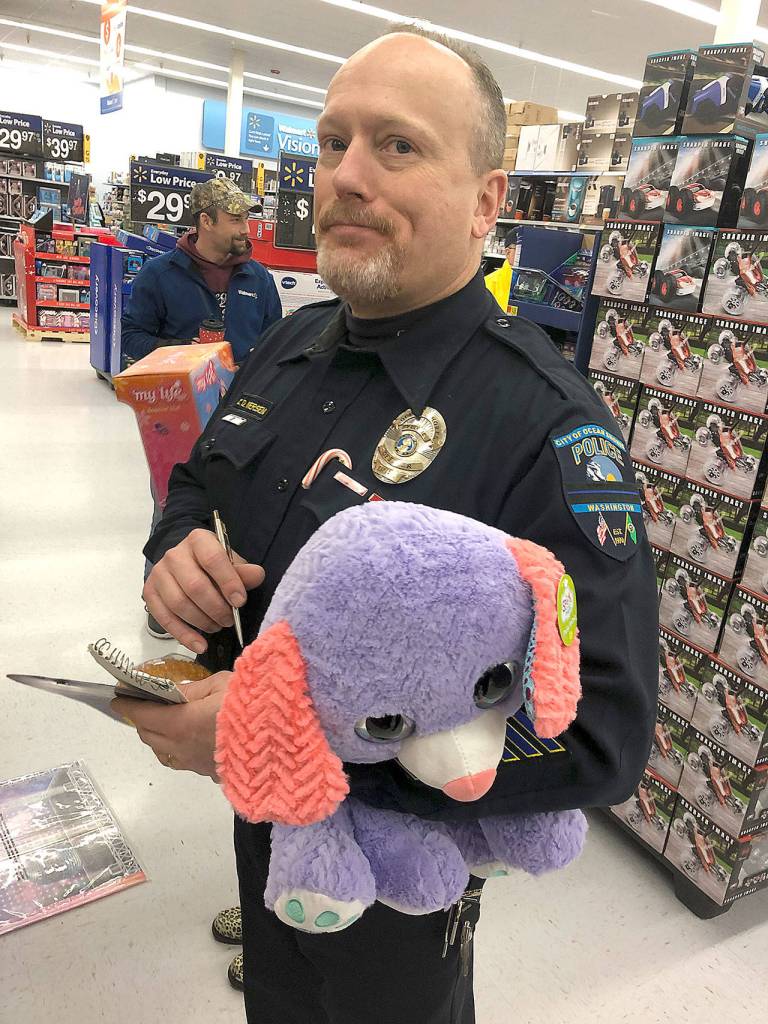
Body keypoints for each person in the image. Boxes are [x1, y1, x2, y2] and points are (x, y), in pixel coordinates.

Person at [114, 25, 658, 1024]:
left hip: (407, 889)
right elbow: (196, 485)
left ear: (489, 202)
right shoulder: (289, 342)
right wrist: (172, 555)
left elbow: (603, 734)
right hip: (265, 838)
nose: (343, 177)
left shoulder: (547, 426)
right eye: (331, 144)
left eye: (396, 146)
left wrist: (280, 743)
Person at [120, 176, 283, 638]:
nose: (245, 227)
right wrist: (185, 354)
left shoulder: (258, 278)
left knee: (237, 502)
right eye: (235, 218)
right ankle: (163, 598)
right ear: (205, 221)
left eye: (247, 216)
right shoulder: (160, 275)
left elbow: (273, 339)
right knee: (174, 502)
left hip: (245, 415)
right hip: (176, 416)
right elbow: (131, 337)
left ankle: (221, 597)